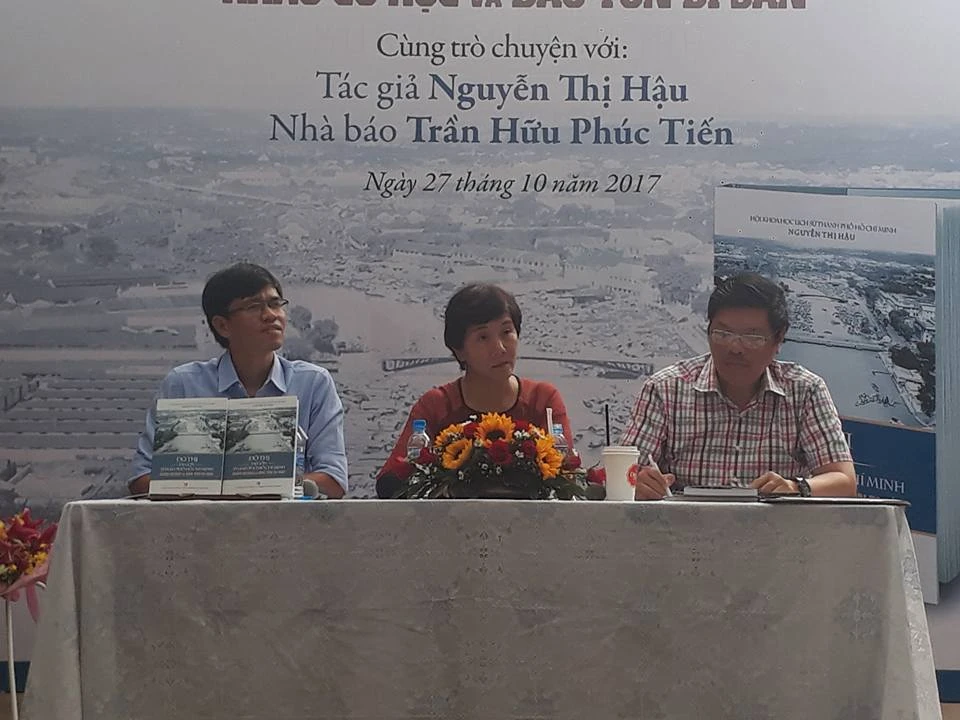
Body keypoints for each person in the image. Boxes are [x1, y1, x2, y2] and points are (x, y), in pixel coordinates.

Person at [620, 272, 855, 500]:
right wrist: (636, 484)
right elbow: (621, 473)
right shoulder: (665, 389)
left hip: (776, 526)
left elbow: (844, 481)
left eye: (752, 338)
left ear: (779, 339)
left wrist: (795, 487)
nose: (735, 348)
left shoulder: (805, 391)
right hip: (684, 525)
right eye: (723, 334)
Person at [129, 262, 348, 498]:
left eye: (275, 304)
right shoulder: (183, 384)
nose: (271, 315)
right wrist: (244, 489)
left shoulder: (313, 383)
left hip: (288, 520)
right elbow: (142, 479)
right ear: (222, 325)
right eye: (254, 306)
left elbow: (333, 480)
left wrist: (242, 487)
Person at [376, 283, 573, 497]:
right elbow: (393, 481)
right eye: (483, 337)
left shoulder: (542, 400)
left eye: (507, 332)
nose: (500, 348)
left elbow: (566, 477)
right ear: (459, 350)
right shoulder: (437, 405)